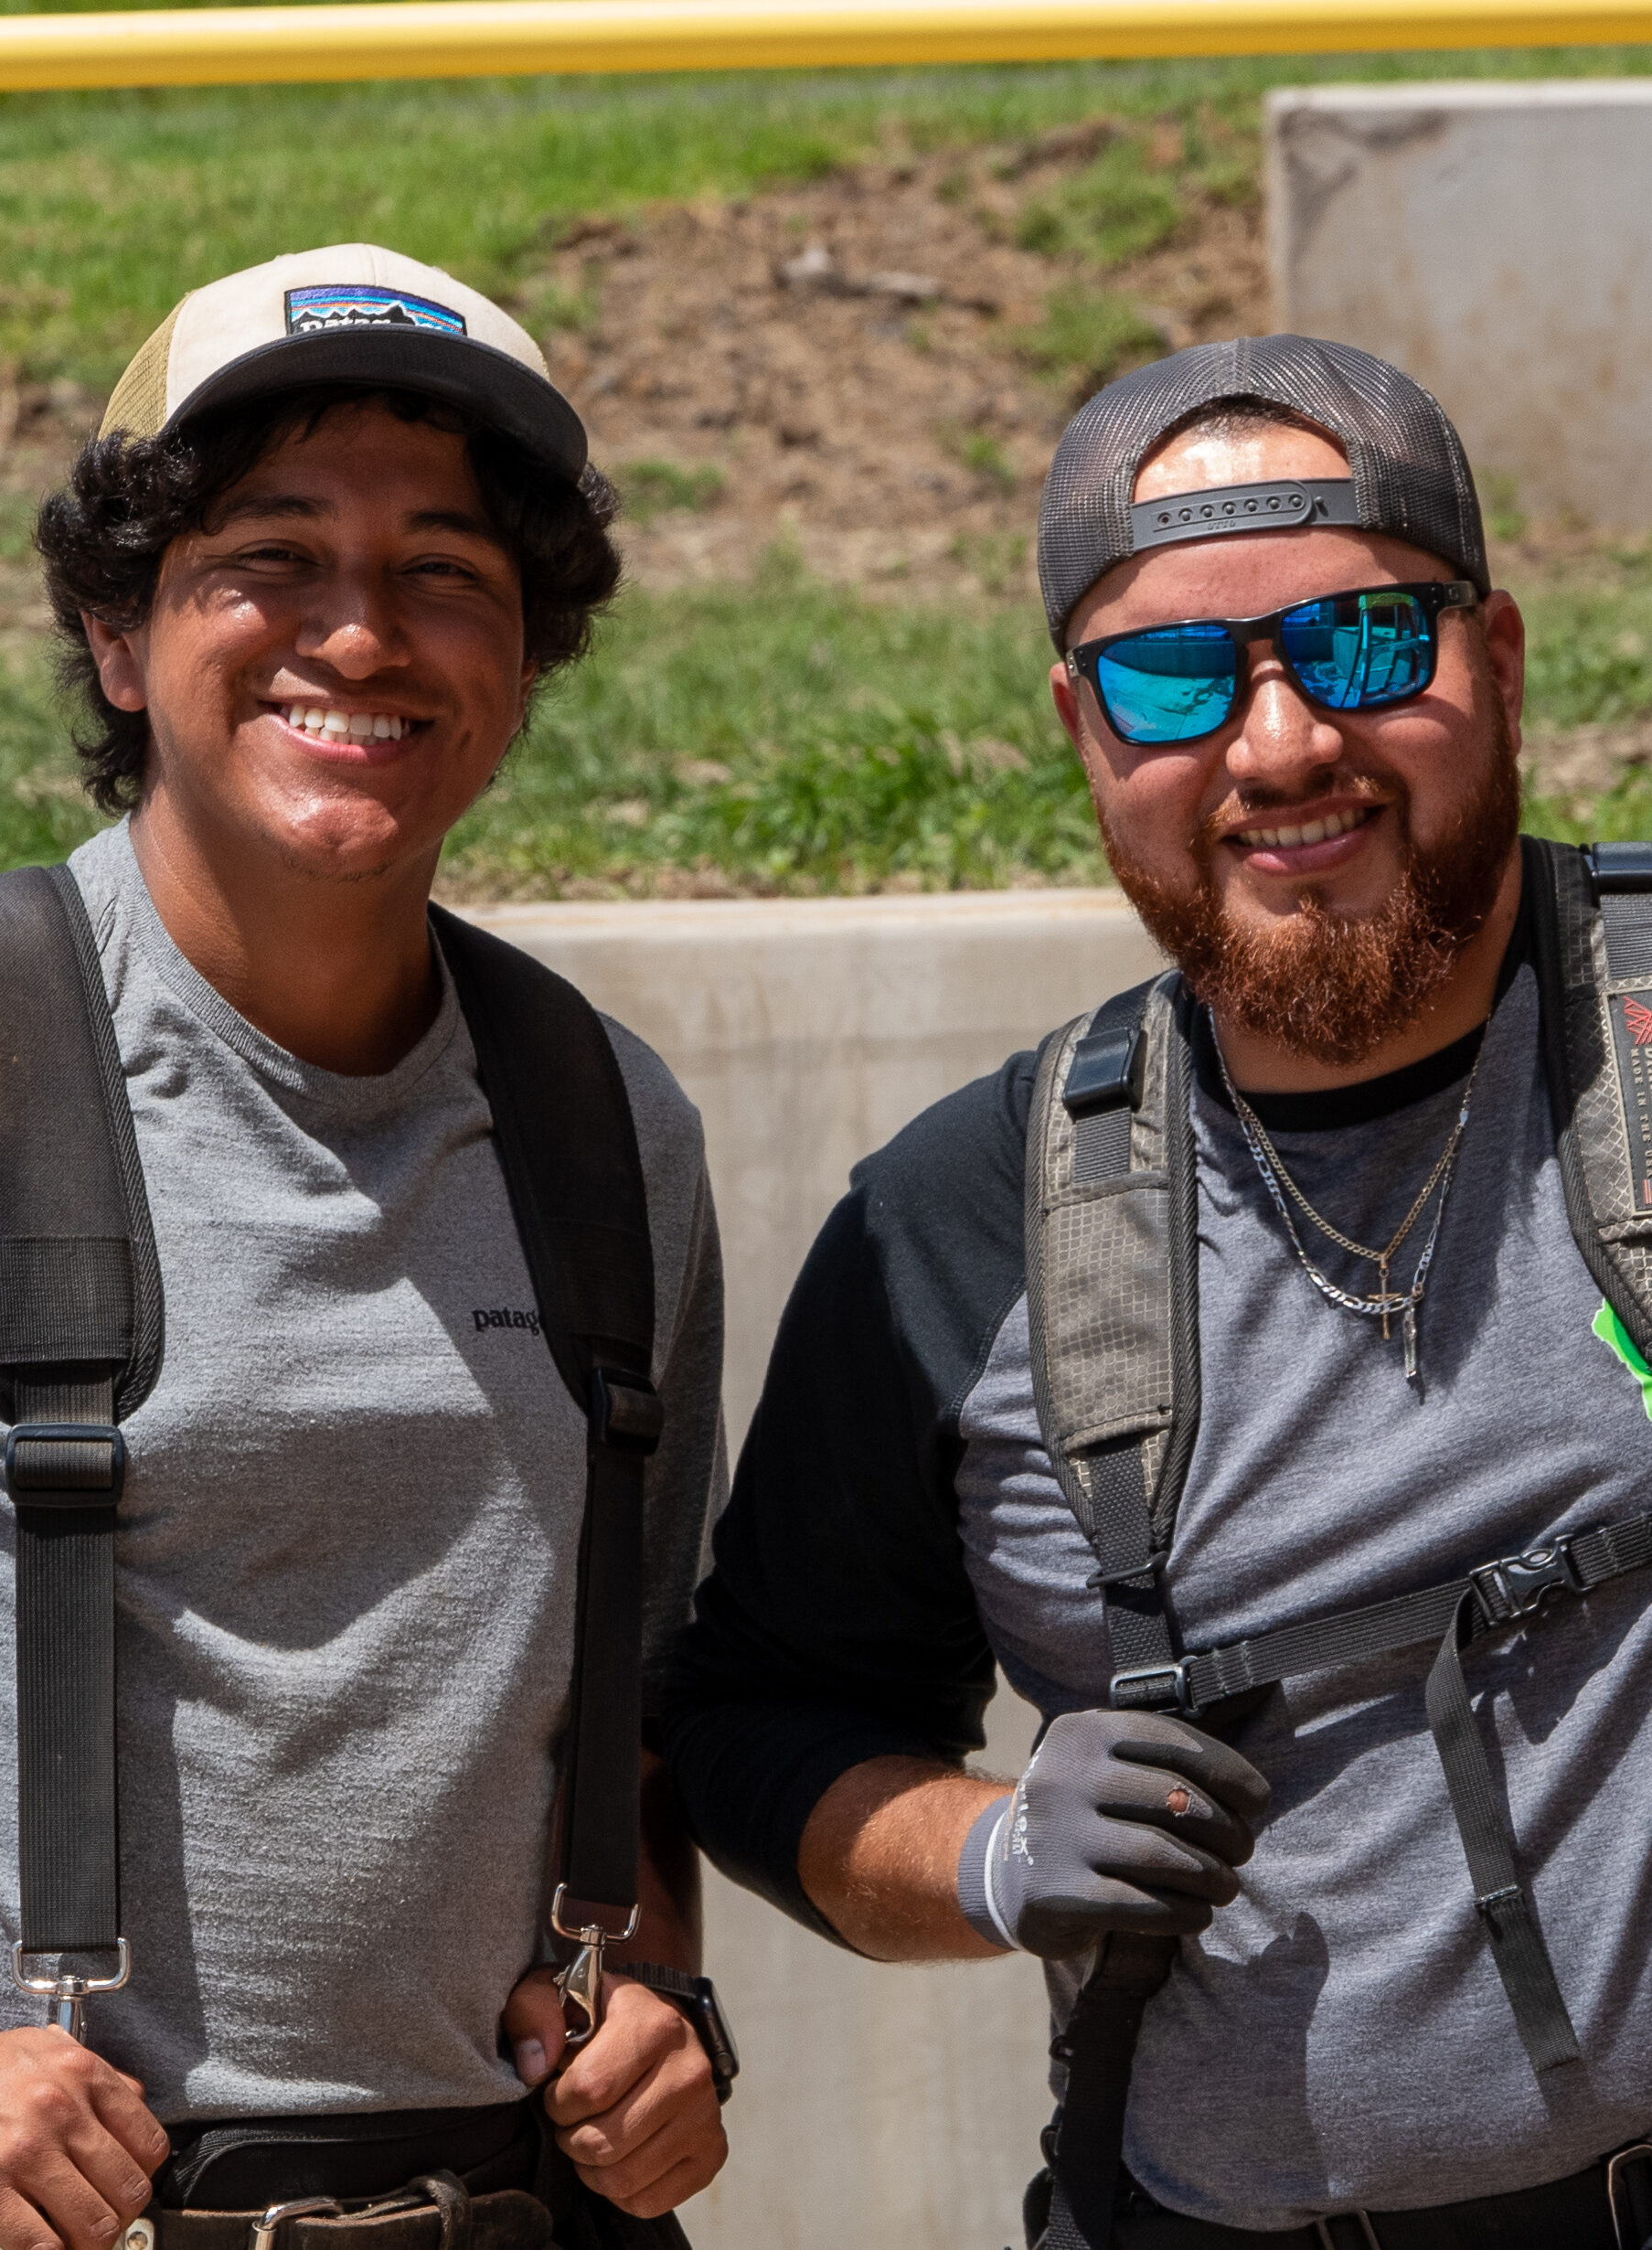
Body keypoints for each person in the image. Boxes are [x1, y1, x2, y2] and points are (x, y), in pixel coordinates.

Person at [665, 335, 1652, 2248]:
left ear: (1500, 660)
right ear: (1082, 731)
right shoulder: (955, 1227)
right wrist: (989, 1848)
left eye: (1361, 643)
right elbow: (754, 1728)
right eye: (1172, 676)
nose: (1279, 744)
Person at [0, 246, 730, 2250]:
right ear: (121, 637)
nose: (359, 633)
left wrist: (655, 1990)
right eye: (271, 557)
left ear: (525, 654)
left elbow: (632, 1707)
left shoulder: (607, 1124)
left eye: (446, 572)